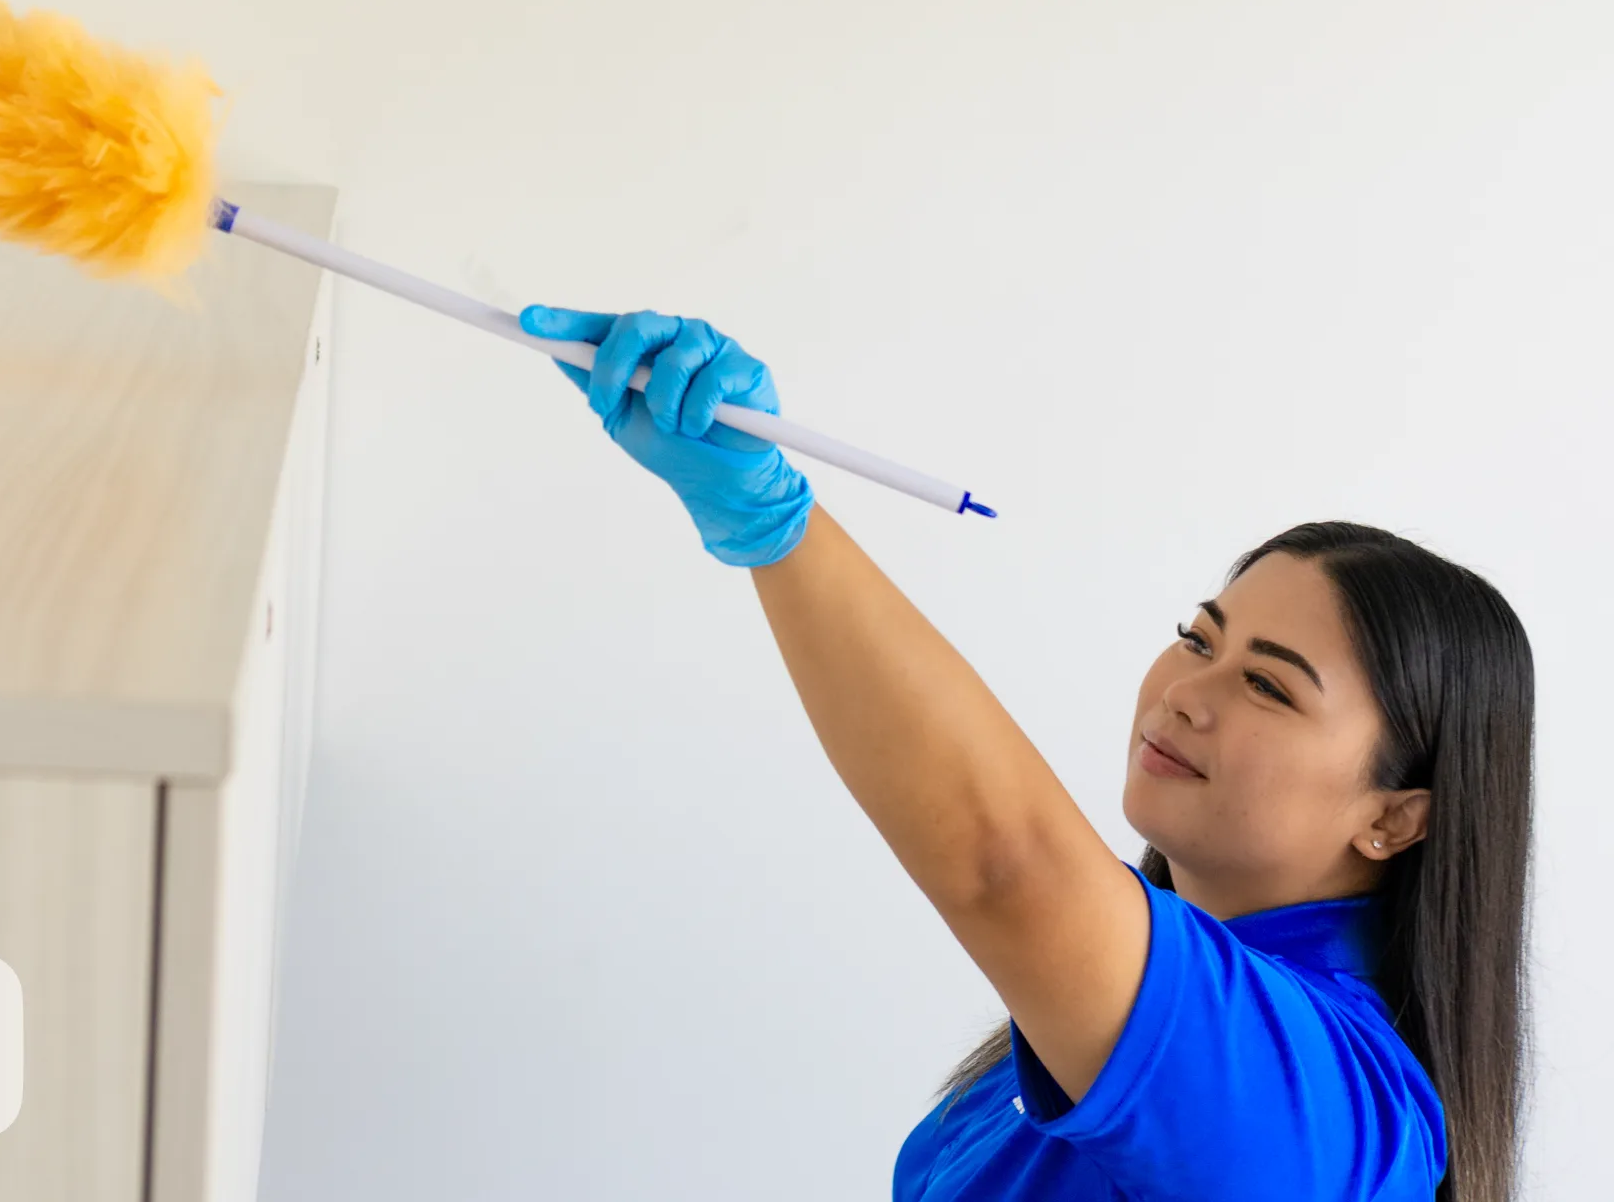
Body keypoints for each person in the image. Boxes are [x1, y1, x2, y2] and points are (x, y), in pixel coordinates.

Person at [516, 306, 1534, 1202]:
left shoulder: (1338, 1117)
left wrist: (772, 520)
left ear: (1396, 814)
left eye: (1267, 684)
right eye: (1198, 639)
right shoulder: (1080, 1022)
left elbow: (1006, 866)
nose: (1186, 693)